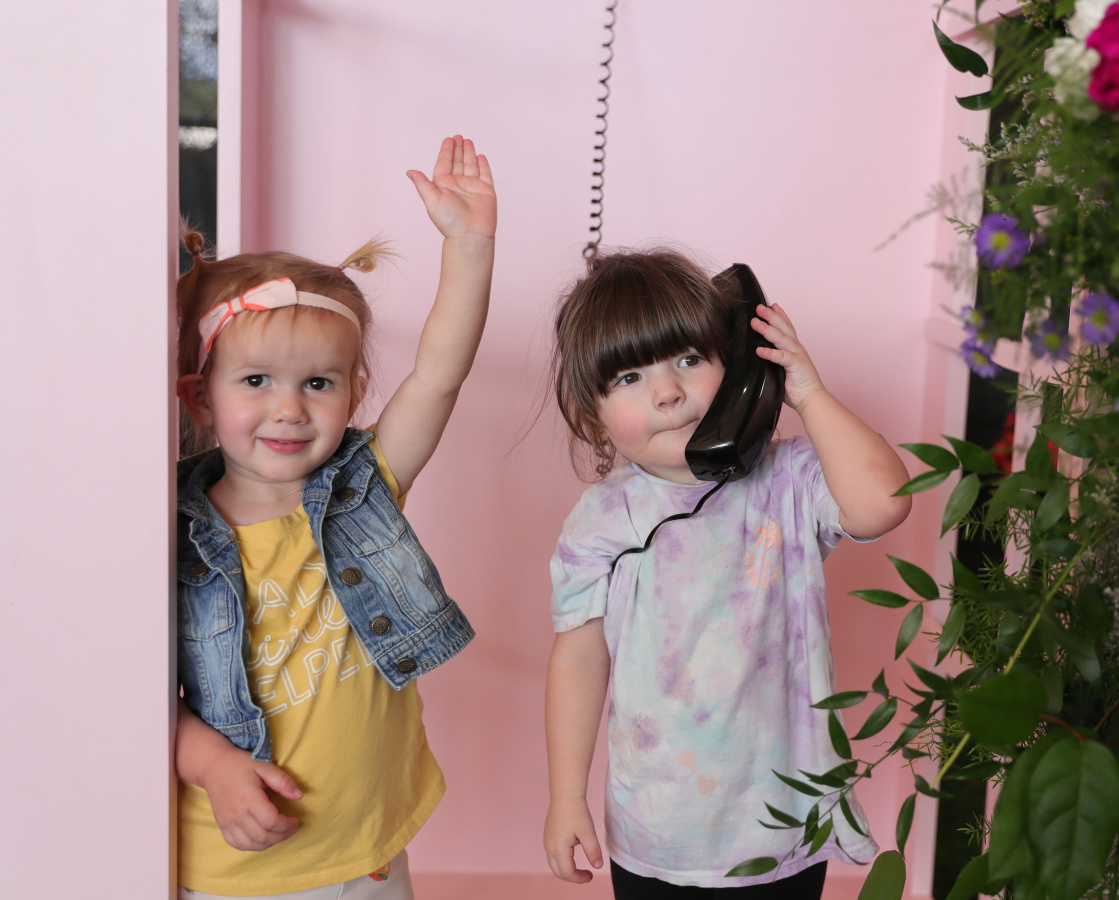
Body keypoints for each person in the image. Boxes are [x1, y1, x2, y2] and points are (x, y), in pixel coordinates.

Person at [174, 135, 495, 900]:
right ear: (200, 398)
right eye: (257, 380)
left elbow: (438, 376)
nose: (289, 408)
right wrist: (216, 767)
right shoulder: (166, 532)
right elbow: (137, 693)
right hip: (235, 869)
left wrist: (470, 247)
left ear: (354, 392)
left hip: (367, 850)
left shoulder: (364, 485)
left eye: (318, 383)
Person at [542, 247, 912, 898]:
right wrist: (565, 796)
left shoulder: (789, 479)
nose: (668, 392)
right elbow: (578, 659)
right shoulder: (601, 521)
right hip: (658, 832)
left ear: (738, 364)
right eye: (629, 377)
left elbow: (884, 503)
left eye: (689, 359)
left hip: (783, 824)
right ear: (591, 414)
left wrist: (807, 393)